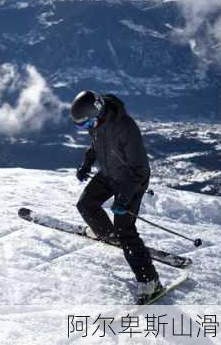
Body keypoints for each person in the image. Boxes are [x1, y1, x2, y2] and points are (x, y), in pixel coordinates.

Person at [70, 90, 162, 304]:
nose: (85, 129)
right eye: (81, 126)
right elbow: (96, 145)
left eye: (85, 125)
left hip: (132, 180)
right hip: (109, 173)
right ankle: (108, 234)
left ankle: (151, 282)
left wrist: (122, 199)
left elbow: (139, 169)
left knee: (125, 229)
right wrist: (86, 163)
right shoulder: (97, 123)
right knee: (86, 204)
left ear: (97, 113)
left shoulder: (125, 128)